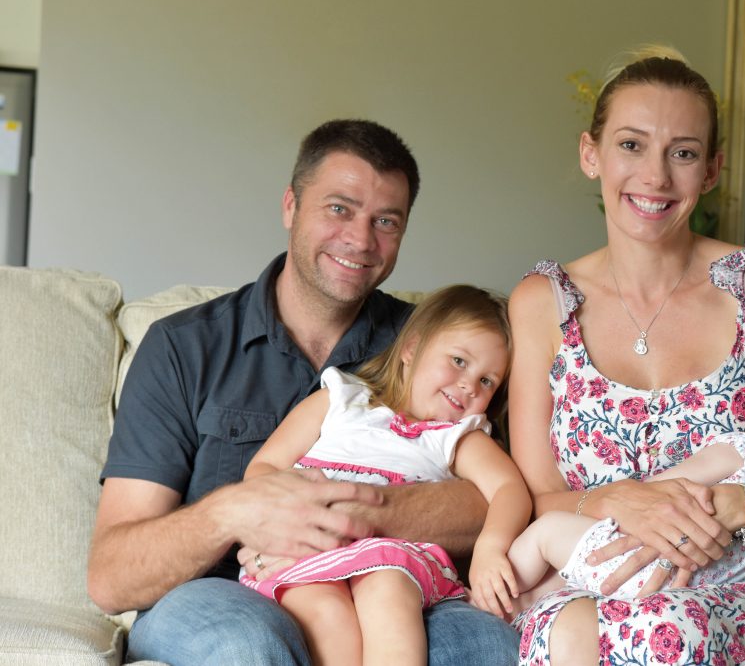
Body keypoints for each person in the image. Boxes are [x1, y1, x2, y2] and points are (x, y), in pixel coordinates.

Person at [87, 119, 520, 665]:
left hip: (391, 577)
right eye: (339, 208)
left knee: (487, 647)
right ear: (291, 206)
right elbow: (112, 575)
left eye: (385, 221)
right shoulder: (184, 347)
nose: (361, 240)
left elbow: (499, 499)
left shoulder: (435, 348)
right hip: (225, 589)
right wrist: (236, 513)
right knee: (246, 647)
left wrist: (358, 513)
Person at [508, 46, 745, 665]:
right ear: (591, 154)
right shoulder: (543, 302)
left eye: (684, 153)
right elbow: (538, 497)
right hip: (600, 585)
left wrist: (734, 507)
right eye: (631, 145)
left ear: (712, 170)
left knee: (673, 632)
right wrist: (618, 499)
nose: (657, 178)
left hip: (739, 592)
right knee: (573, 633)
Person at [238, 284, 531, 665]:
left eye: (487, 381)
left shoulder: (458, 436)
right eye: (459, 361)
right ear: (411, 348)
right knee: (326, 613)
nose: (468, 385)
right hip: (305, 545)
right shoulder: (341, 399)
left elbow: (511, 488)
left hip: (390, 556)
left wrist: (491, 547)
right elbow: (264, 466)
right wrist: (285, 512)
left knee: (389, 594)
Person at [506, 380, 745, 624]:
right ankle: (521, 606)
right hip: (671, 600)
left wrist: (633, 498)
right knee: (570, 581)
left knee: (545, 534)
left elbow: (668, 485)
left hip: (635, 551)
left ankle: (502, 591)